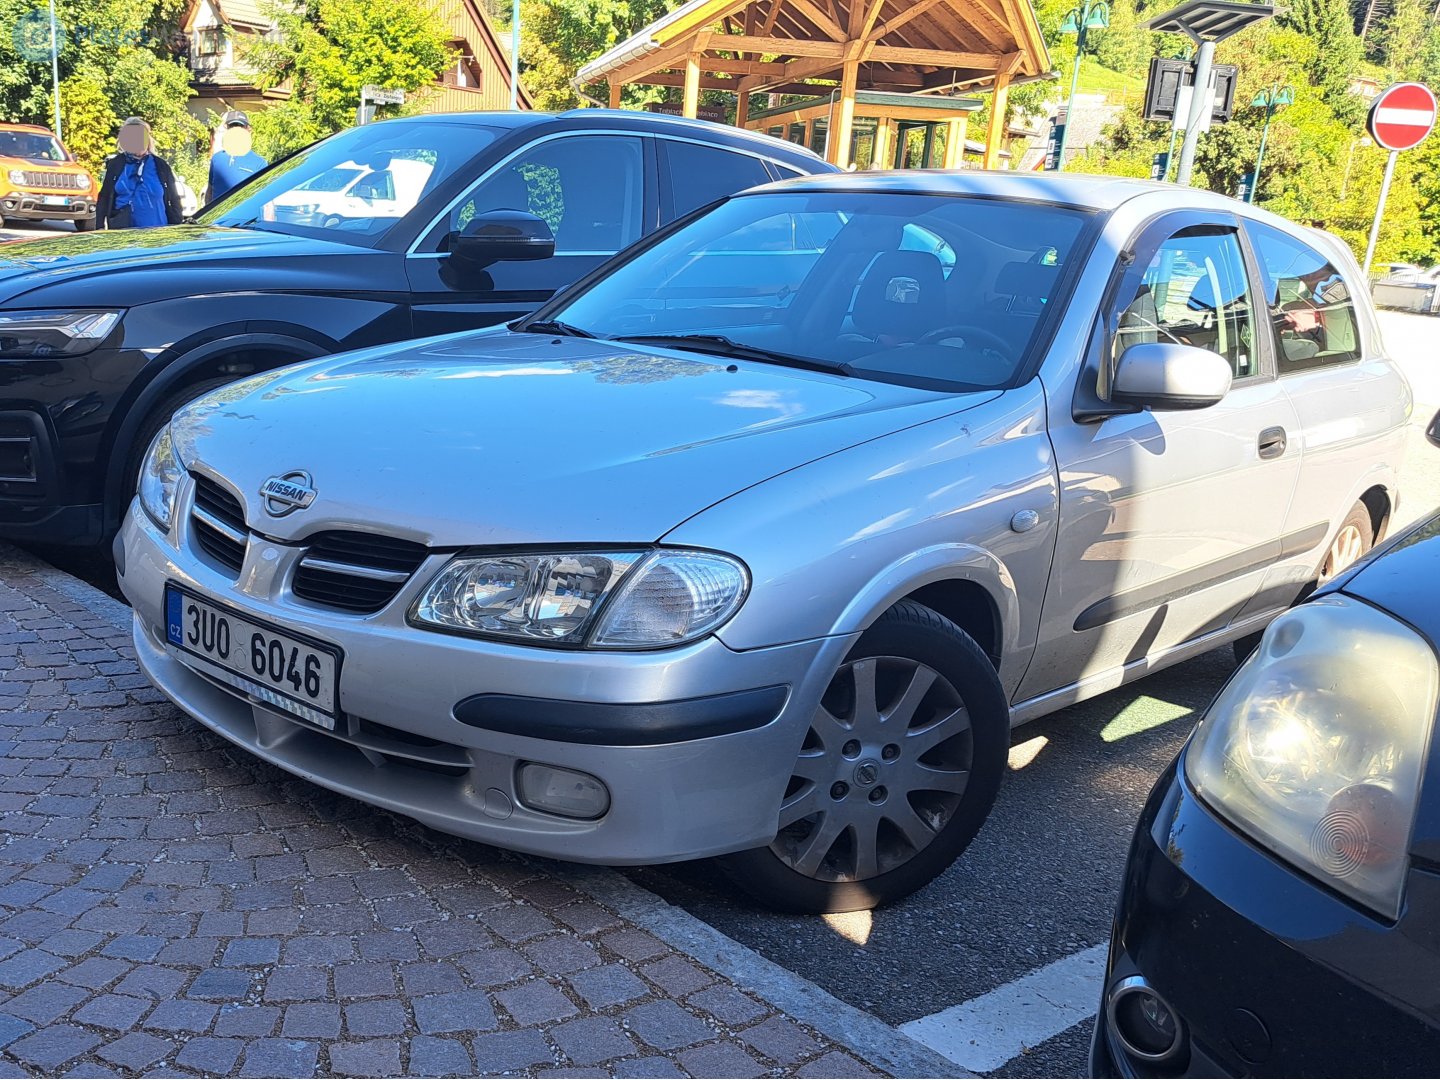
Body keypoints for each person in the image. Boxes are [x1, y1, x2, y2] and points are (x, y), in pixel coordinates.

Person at [95, 118, 184, 230]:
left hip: (158, 233)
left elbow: (174, 199)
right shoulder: (116, 165)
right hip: (124, 234)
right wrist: (99, 227)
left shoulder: (160, 166)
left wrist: (178, 226)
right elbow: (104, 197)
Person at [206, 111, 267, 203]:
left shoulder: (259, 163)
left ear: (248, 129)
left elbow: (265, 199)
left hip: (246, 216)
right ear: (227, 129)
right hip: (220, 216)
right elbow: (210, 192)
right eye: (232, 126)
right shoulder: (216, 159)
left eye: (240, 126)